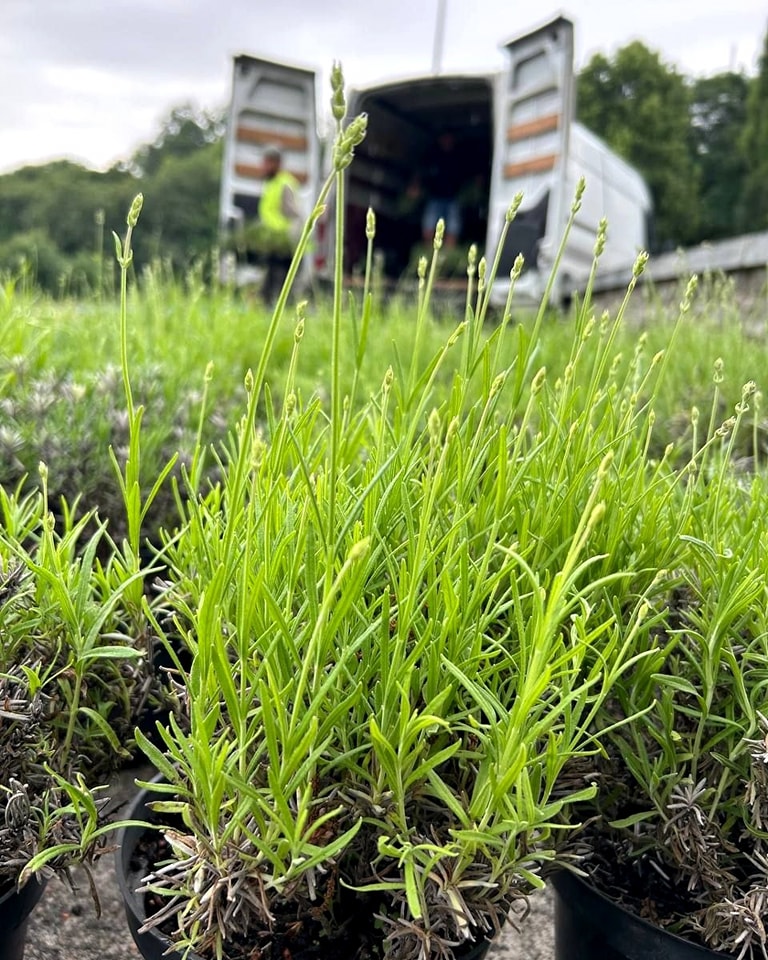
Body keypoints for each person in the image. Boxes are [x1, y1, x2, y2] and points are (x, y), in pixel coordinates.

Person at [258, 144, 301, 302]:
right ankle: (266, 305)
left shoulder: (285, 183)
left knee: (282, 280)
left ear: (277, 163)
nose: (263, 166)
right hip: (272, 240)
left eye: (267, 162)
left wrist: (290, 239)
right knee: (270, 276)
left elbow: (294, 215)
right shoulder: (270, 183)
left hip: (283, 241)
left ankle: (281, 307)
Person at [410, 132, 464, 248]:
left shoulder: (458, 157)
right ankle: (429, 251)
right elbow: (420, 172)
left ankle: (447, 254)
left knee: (453, 228)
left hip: (452, 198)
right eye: (444, 139)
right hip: (434, 197)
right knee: (429, 227)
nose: (447, 142)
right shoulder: (432, 155)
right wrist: (415, 186)